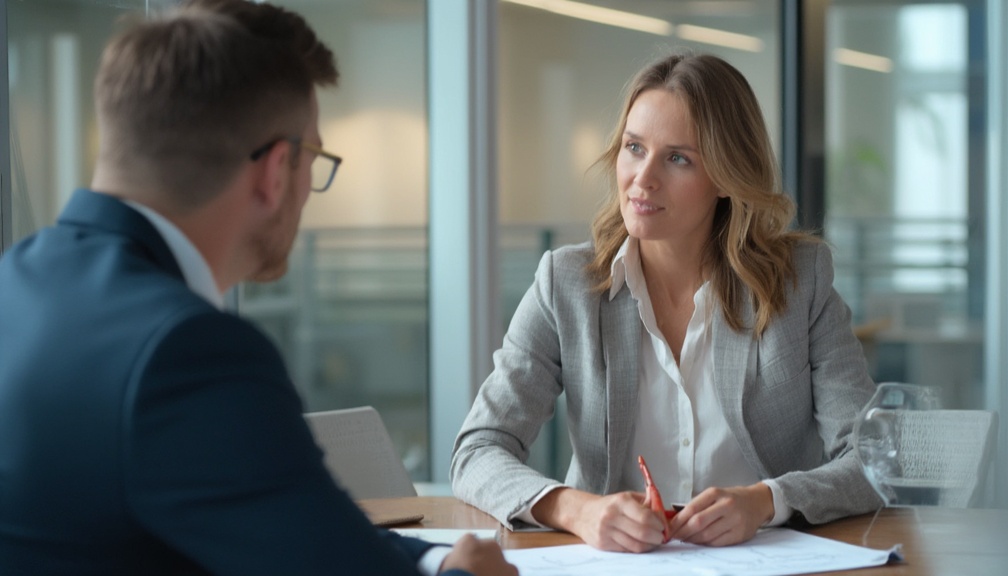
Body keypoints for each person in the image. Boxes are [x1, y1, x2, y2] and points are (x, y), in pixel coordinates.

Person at [0, 2, 516, 575]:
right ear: (276, 172)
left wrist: (435, 560)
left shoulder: (16, 283)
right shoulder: (187, 350)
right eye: (314, 158)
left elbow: (304, 535)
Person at [450, 52, 881, 553]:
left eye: (678, 158)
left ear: (725, 176)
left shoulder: (798, 282)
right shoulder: (565, 283)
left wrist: (767, 500)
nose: (643, 178)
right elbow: (478, 450)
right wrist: (578, 509)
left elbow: (869, 458)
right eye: (634, 148)